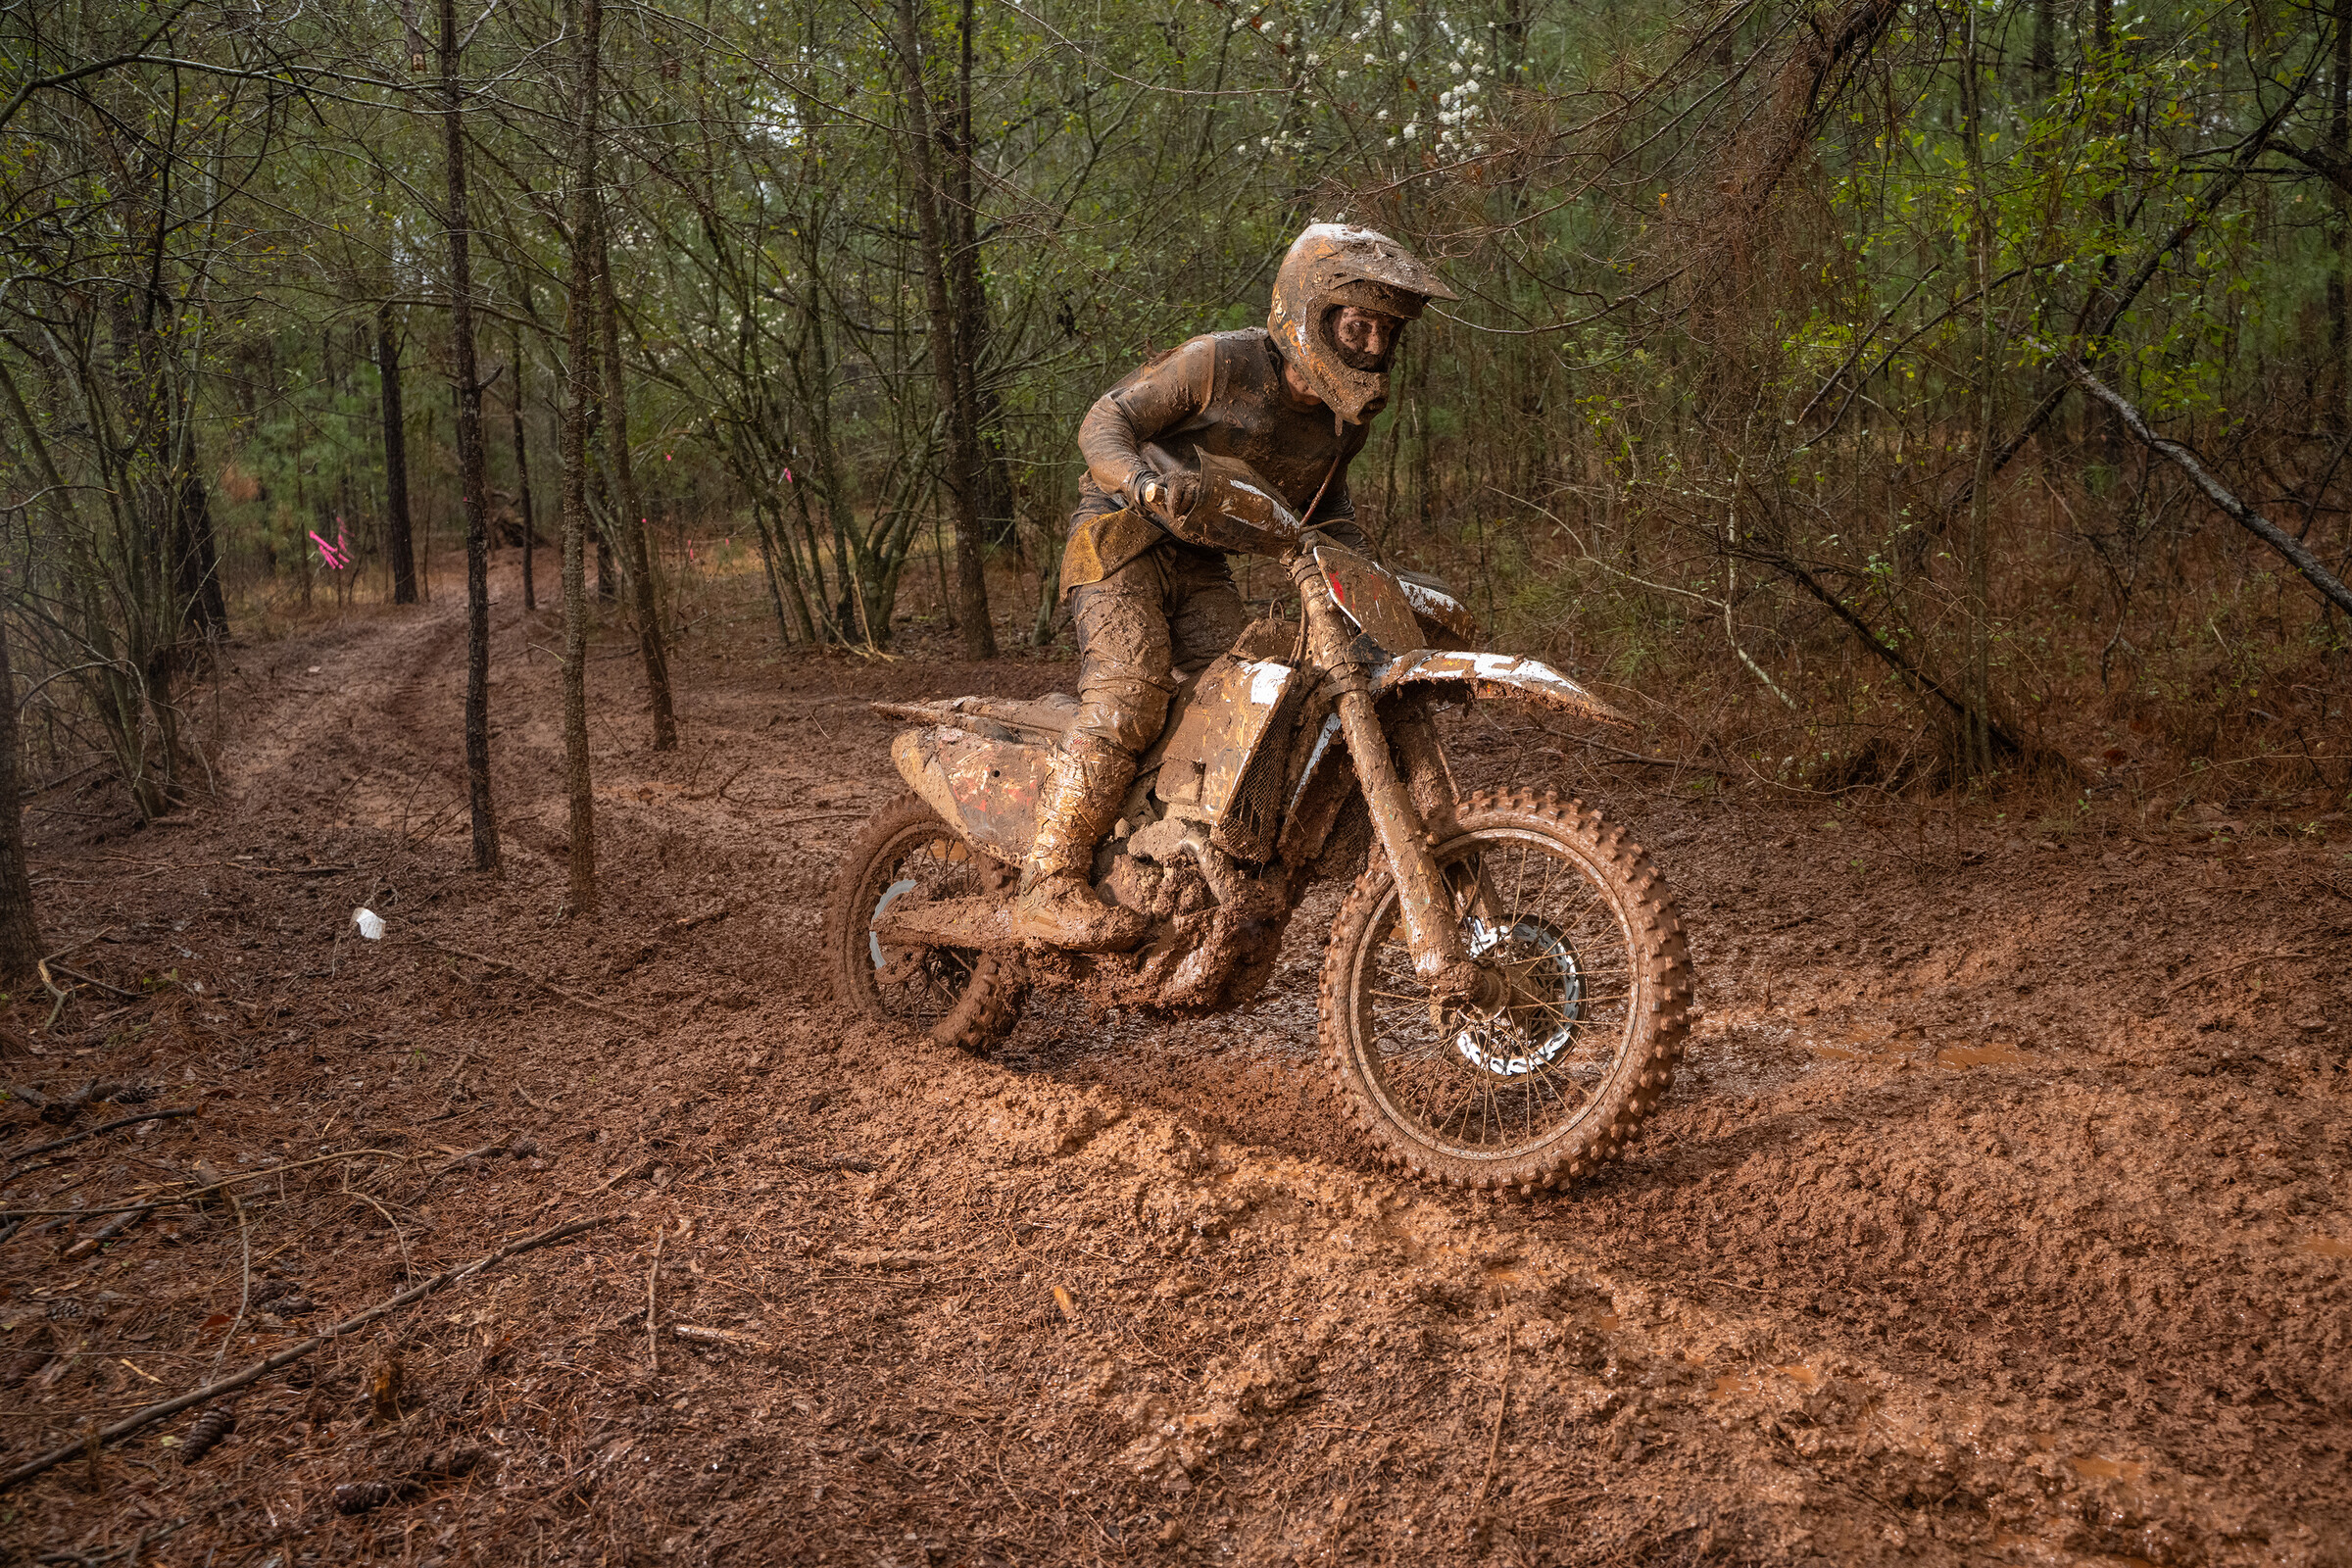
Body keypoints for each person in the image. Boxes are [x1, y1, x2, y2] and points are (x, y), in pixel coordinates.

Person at [1013, 223, 1457, 949]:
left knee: (1255, 698)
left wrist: (1379, 588)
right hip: (1120, 539)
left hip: (1201, 565)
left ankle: (1161, 848)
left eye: (1386, 332)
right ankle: (1049, 878)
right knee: (1129, 694)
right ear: (1308, 312)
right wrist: (1143, 484)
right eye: (1357, 326)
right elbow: (1107, 418)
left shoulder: (1343, 427)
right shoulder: (1220, 363)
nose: (1374, 348)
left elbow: (1330, 516)